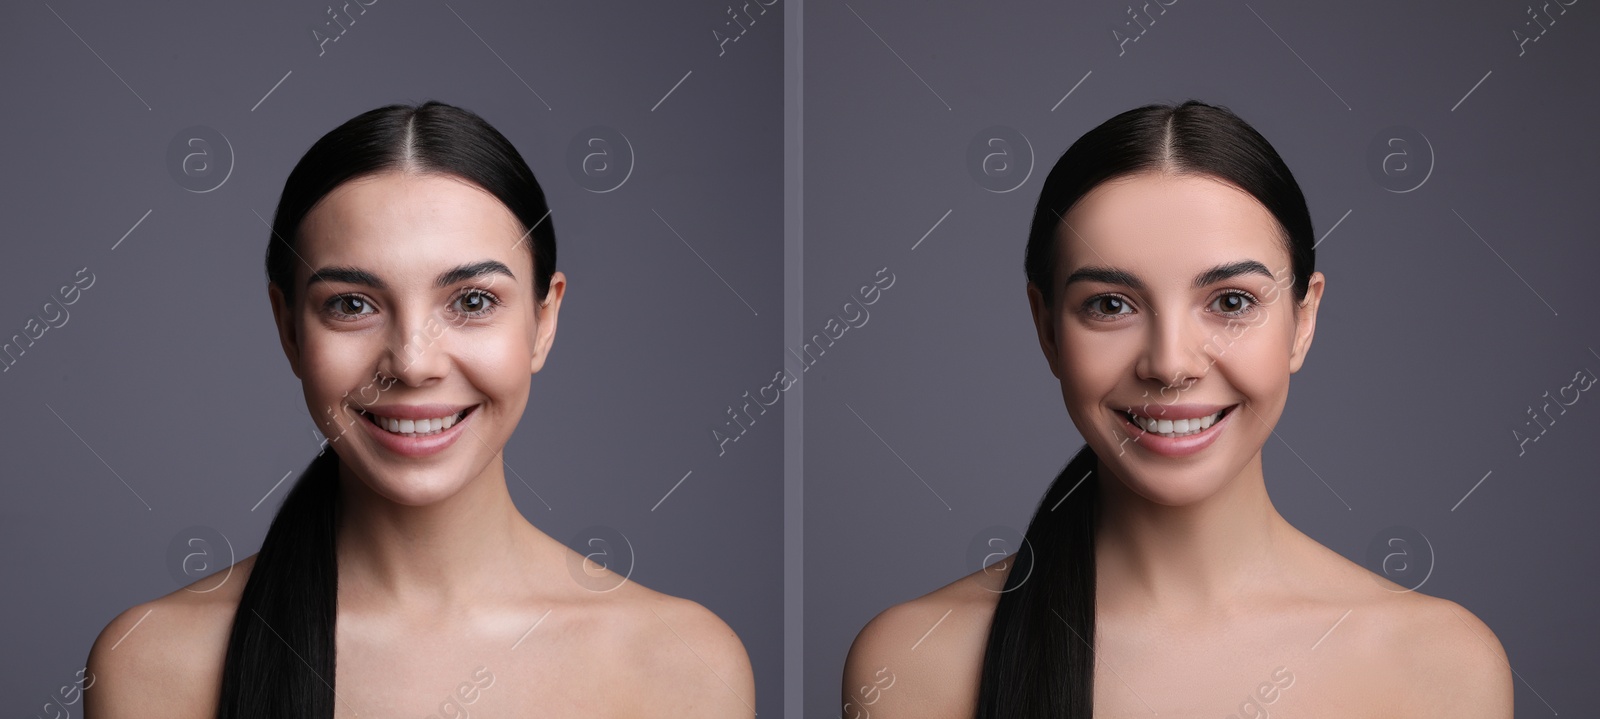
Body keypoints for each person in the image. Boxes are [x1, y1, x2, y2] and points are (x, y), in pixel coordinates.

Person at [842, 100, 1512, 718]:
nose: (1169, 362)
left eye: (1230, 301)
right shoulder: (913, 663)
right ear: (1046, 328)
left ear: (1304, 319)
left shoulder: (1440, 666)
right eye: (1110, 304)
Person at [84, 101, 754, 718]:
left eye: (471, 302)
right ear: (288, 328)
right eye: (351, 304)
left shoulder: (682, 666)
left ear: (544, 320)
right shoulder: (155, 662)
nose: (412, 361)